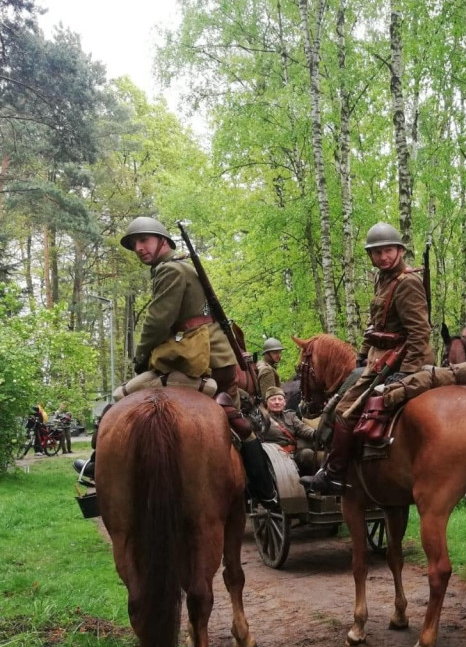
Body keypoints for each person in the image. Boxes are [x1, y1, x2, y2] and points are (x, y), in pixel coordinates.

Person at [76, 217, 276, 508]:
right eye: (134, 245)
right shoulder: (186, 266)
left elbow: (158, 322)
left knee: (120, 397)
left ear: (163, 241)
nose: (139, 249)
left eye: (144, 240)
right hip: (220, 362)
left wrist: (141, 358)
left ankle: (95, 467)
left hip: (193, 359)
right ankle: (262, 488)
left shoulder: (169, 270)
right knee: (238, 423)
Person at [302, 222, 432, 494]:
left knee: (344, 410)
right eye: (377, 253)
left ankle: (335, 475)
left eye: (388, 251)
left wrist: (406, 371)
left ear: (399, 251)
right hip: (377, 358)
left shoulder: (407, 283)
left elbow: (420, 332)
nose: (383, 257)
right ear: (371, 257)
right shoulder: (382, 279)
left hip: (398, 360)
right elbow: (375, 326)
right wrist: (361, 356)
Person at [258, 386, 319, 476]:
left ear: (285, 402)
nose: (277, 402)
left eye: (280, 399)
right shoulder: (261, 419)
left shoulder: (291, 415)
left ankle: (309, 485)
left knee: (307, 454)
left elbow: (302, 428)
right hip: (276, 458)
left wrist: (315, 433)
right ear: (267, 402)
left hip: (294, 455)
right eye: (273, 399)